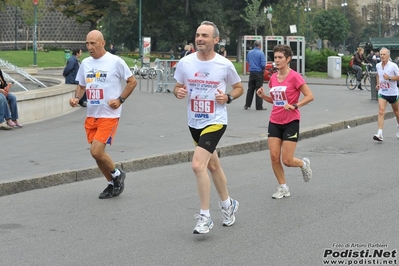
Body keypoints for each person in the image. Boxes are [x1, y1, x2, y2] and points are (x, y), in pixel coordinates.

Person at [173, 21, 244, 234]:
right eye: (198, 35)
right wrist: (178, 92)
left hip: (215, 121)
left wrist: (228, 97)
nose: (200, 39)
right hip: (194, 121)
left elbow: (239, 87)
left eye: (205, 35)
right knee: (212, 166)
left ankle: (205, 216)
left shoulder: (224, 64)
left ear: (215, 40)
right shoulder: (185, 63)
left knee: (197, 165)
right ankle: (228, 204)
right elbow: (177, 86)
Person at [69, 30, 137, 199]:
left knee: (96, 151)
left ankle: (117, 173)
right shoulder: (85, 63)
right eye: (87, 44)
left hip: (109, 114)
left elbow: (132, 81)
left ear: (102, 43)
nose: (89, 47)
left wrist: (120, 99)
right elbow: (82, 85)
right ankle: (111, 184)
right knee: (96, 155)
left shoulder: (115, 62)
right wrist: (76, 98)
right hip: (92, 115)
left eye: (93, 43)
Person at [256, 44, 314, 199]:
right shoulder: (273, 78)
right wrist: (263, 96)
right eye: (275, 57)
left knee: (287, 160)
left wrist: (295, 105)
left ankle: (303, 164)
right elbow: (275, 101)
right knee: (274, 157)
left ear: (288, 59)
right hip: (275, 120)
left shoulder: (295, 77)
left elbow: (309, 96)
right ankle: (283, 187)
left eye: (280, 57)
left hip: (291, 121)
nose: (277, 60)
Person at [373, 47, 399, 141]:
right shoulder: (378, 65)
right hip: (383, 92)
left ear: (388, 55)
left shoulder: (393, 66)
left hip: (393, 92)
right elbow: (378, 75)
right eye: (381, 54)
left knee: (396, 112)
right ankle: (380, 133)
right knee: (381, 111)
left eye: (384, 54)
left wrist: (390, 78)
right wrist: (378, 84)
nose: (382, 56)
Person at [244, 40, 266, 110]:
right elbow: (263, 64)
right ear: (260, 45)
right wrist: (263, 69)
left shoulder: (249, 52)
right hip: (259, 72)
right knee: (259, 89)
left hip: (252, 73)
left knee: (250, 89)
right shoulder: (261, 53)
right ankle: (259, 106)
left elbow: (248, 61)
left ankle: (247, 105)